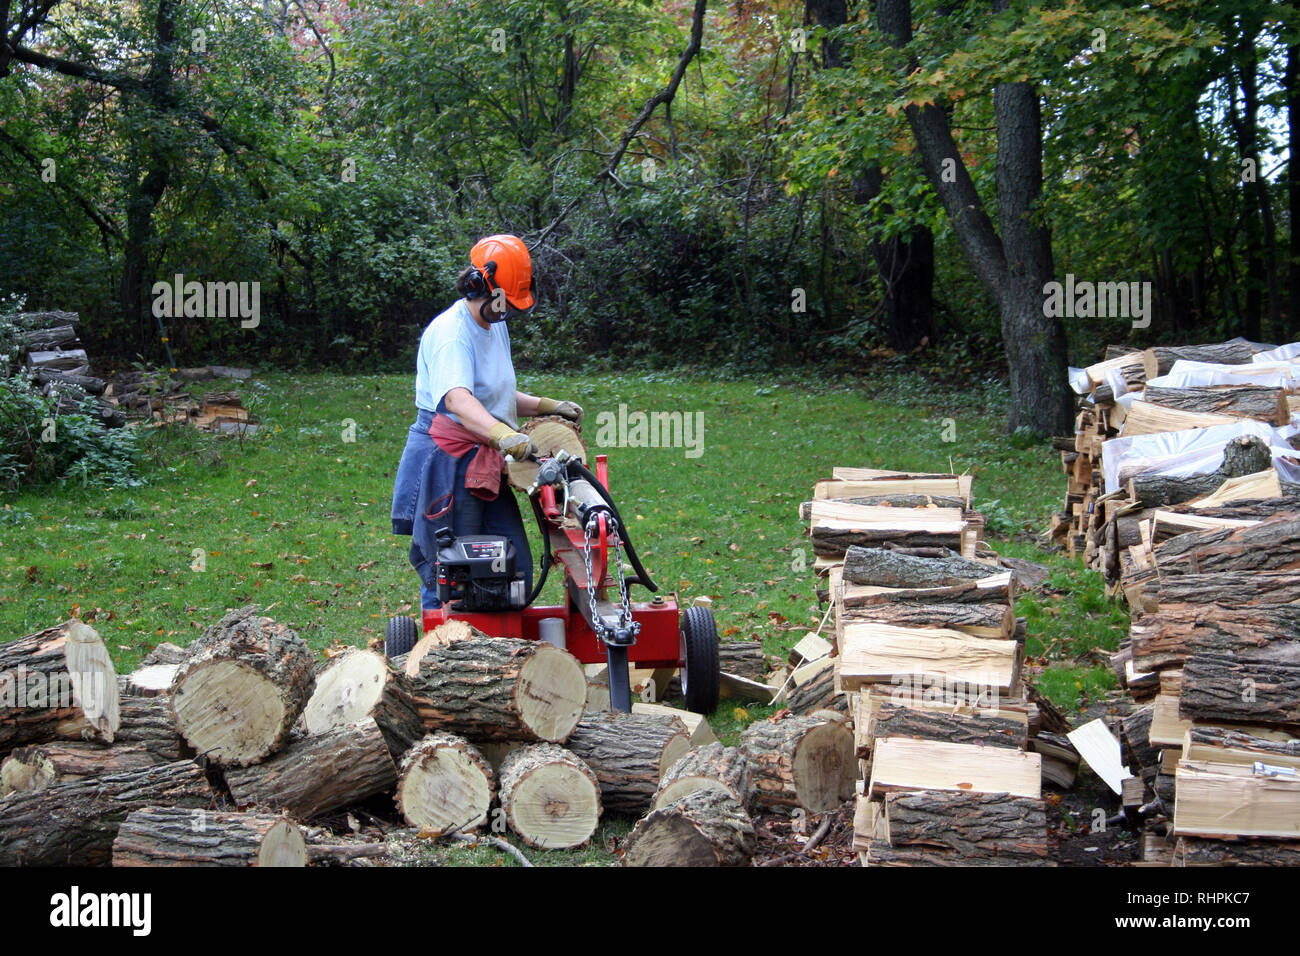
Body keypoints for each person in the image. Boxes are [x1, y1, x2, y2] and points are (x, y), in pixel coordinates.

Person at [391, 234, 583, 609]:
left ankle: (502, 654)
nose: (506, 310)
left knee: (514, 569)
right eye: (504, 300)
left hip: (484, 454)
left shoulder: (495, 326)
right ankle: (441, 653)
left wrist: (548, 406)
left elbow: (493, 395)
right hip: (449, 460)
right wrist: (503, 436)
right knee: (453, 571)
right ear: (480, 284)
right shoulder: (452, 334)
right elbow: (458, 400)